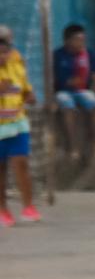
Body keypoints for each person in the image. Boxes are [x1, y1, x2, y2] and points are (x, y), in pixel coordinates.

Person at [0, 25, 40, 226]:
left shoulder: (17, 62)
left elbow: (24, 87)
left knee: (21, 164)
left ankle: (28, 206)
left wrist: (29, 95)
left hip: (17, 122)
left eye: (6, 50)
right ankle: (3, 210)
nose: (4, 55)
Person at [53, 24, 95, 162]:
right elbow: (54, 78)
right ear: (67, 41)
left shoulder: (88, 54)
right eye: (78, 40)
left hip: (82, 90)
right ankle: (73, 147)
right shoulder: (58, 55)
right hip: (64, 91)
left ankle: (94, 145)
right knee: (68, 108)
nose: (81, 43)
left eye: (83, 40)